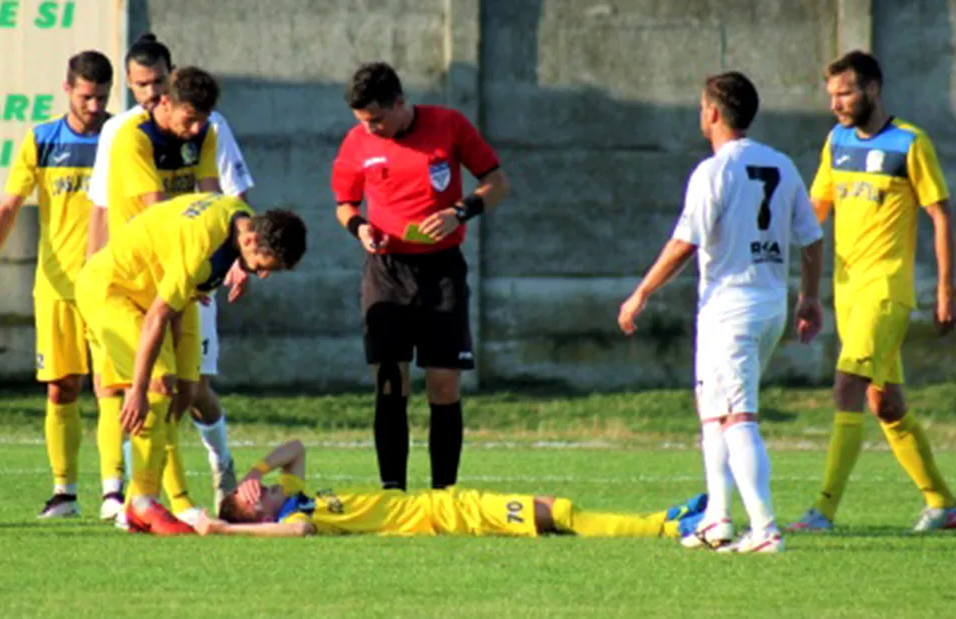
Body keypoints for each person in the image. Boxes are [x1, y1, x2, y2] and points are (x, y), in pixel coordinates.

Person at [618, 71, 825, 553]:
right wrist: (809, 297)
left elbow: (684, 242)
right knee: (714, 413)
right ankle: (718, 519)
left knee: (738, 417)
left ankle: (765, 528)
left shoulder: (713, 172)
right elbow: (811, 238)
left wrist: (641, 292)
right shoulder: (782, 164)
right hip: (767, 303)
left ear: (712, 113)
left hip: (732, 306)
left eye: (700, 106)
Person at [787, 51, 956, 533]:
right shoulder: (837, 141)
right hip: (847, 293)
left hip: (886, 291)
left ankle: (822, 511)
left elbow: (941, 214)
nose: (836, 104)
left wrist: (946, 290)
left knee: (847, 386)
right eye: (831, 95)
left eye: (844, 93)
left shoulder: (910, 143)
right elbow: (814, 211)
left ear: (871, 88)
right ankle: (944, 504)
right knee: (884, 403)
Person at [86, 34, 254, 523]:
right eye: (190, 118)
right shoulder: (129, 137)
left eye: (202, 120)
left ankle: (157, 497)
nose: (196, 128)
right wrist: (204, 261)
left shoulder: (204, 133)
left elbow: (211, 195)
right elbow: (158, 216)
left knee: (184, 391)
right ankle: (132, 500)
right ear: (163, 101)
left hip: (181, 275)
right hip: (136, 280)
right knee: (140, 389)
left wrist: (231, 258)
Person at [74, 192, 306, 535]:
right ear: (252, 240)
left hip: (150, 292)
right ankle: (140, 503)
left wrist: (242, 266)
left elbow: (183, 285)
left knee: (184, 391)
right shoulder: (201, 246)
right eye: (262, 267)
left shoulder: (242, 219)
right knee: (157, 382)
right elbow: (158, 315)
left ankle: (146, 498)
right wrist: (136, 389)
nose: (262, 275)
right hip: (112, 290)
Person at [331, 61, 510, 492]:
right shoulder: (357, 142)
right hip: (387, 272)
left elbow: (498, 183)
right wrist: (360, 228)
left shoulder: (448, 125)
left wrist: (459, 211)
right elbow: (344, 204)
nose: (370, 129)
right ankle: (393, 491)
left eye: (376, 119)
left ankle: (442, 493)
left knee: (444, 386)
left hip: (442, 271)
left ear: (399, 103)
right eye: (362, 121)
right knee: (390, 383)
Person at [0, 50, 114, 518]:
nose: (94, 106)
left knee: (110, 387)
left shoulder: (121, 136)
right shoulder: (41, 139)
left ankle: (114, 491)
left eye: (103, 97)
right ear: (68, 89)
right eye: (87, 96)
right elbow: (9, 205)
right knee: (60, 387)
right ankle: (65, 492)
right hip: (55, 287)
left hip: (111, 284)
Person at [195, 439, 707, 539]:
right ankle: (665, 525)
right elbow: (301, 529)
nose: (255, 489)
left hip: (442, 502)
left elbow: (296, 445)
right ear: (259, 516)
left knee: (553, 509)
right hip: (445, 517)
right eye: (251, 497)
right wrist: (221, 527)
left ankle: (666, 518)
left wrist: (258, 467)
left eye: (250, 489)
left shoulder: (294, 492)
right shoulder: (292, 518)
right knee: (559, 510)